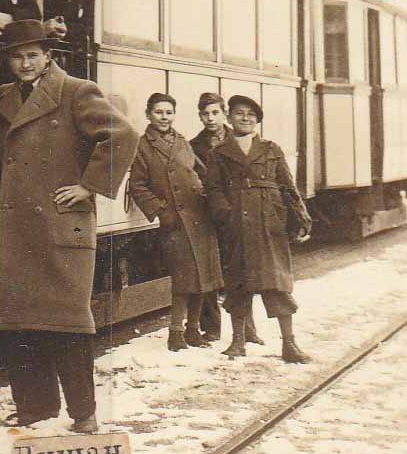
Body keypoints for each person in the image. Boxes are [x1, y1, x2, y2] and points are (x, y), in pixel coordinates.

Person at [0, 19, 138, 431]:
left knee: (68, 324)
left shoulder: (75, 91)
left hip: (59, 225)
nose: (25, 63)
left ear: (48, 55)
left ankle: (84, 414)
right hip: (19, 229)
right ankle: (35, 408)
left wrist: (89, 187)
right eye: (17, 57)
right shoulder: (3, 99)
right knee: (20, 322)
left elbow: (121, 135)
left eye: (33, 55)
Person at [204, 94, 313, 362]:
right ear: (230, 118)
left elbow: (288, 186)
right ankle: (238, 342)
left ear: (257, 121)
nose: (245, 118)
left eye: (251, 115)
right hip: (237, 226)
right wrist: (225, 214)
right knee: (237, 284)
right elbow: (214, 189)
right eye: (240, 113)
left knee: (277, 284)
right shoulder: (218, 153)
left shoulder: (271, 148)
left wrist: (301, 217)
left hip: (269, 225)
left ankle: (289, 345)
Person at [129, 93, 223, 351]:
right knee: (183, 280)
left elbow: (198, 172)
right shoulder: (143, 146)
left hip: (199, 217)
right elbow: (137, 186)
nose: (164, 117)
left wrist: (210, 198)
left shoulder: (182, 141)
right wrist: (161, 210)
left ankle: (193, 330)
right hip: (175, 222)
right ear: (148, 114)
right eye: (158, 112)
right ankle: (175, 333)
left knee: (201, 278)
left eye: (168, 112)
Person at [189, 92, 263, 345]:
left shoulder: (243, 138)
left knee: (243, 269)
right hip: (208, 213)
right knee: (210, 269)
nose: (210, 119)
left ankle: (249, 328)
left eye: (215, 113)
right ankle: (211, 327)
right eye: (204, 114)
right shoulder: (193, 145)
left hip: (239, 213)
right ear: (199, 116)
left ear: (224, 114)